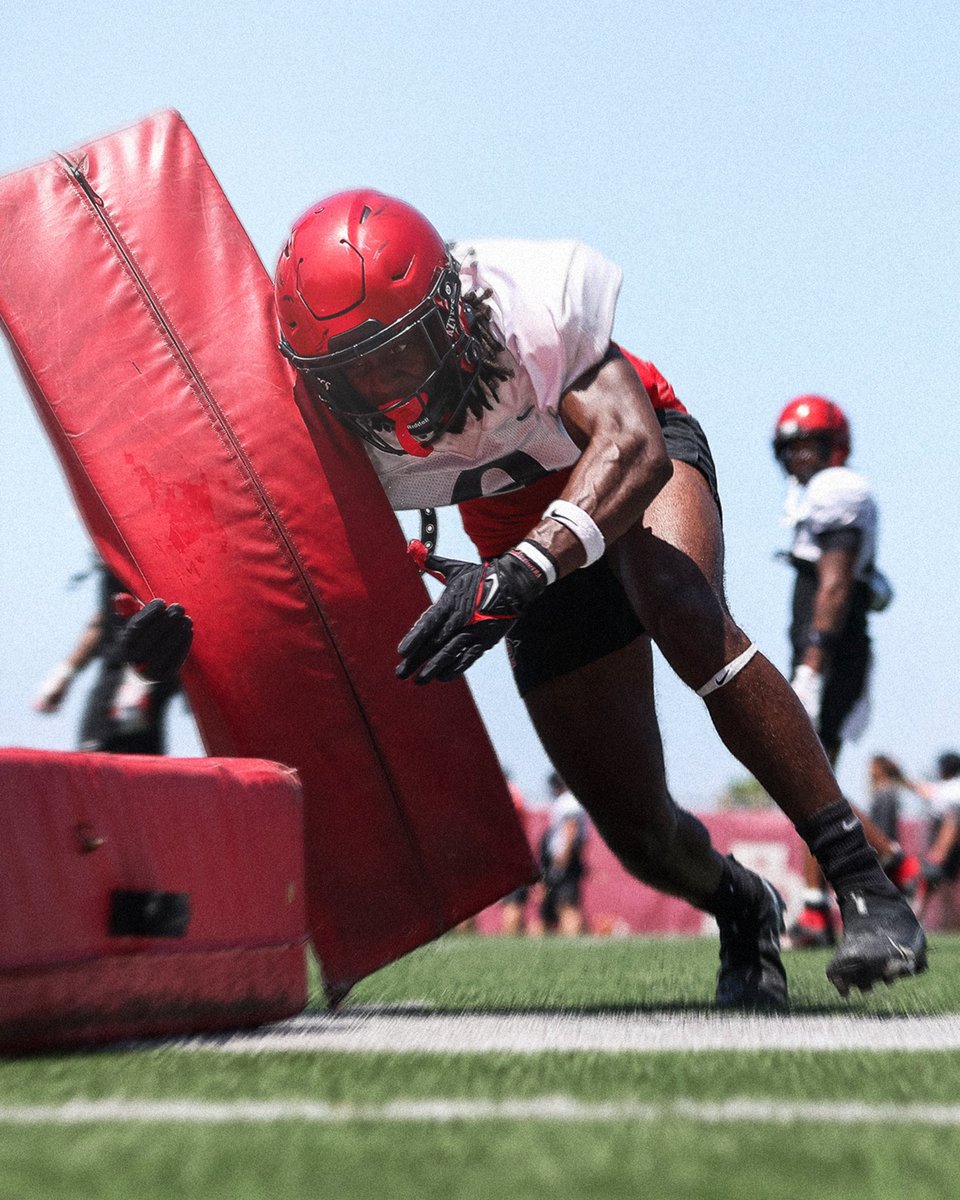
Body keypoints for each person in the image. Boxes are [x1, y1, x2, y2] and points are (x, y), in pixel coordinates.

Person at [136, 189, 926, 1004]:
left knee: (683, 610)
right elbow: (243, 550)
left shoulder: (526, 302)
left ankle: (864, 883)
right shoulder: (309, 413)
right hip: (512, 533)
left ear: (450, 307)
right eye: (354, 372)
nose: (384, 388)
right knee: (636, 830)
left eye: (400, 353)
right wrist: (178, 631)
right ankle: (741, 905)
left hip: (621, 469)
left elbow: (632, 446)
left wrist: (522, 571)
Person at [772, 397, 921, 948]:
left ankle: (890, 861)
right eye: (792, 447)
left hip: (829, 656)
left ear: (833, 446)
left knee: (808, 780)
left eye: (809, 445)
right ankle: (817, 908)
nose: (800, 457)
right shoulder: (818, 493)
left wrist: (812, 667)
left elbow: (834, 586)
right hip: (830, 651)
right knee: (812, 778)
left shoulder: (838, 490)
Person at [34, 560, 183, 754]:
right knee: (136, 757)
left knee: (105, 756)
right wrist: (64, 673)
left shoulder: (135, 554)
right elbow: (104, 619)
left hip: (133, 676)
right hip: (144, 673)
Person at [903, 752, 960, 920]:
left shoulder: (951, 789)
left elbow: (952, 821)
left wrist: (940, 850)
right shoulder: (951, 787)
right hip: (951, 843)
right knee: (945, 884)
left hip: (948, 844)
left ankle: (915, 918)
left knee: (929, 880)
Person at [539, 772, 588, 936]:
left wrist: (562, 860)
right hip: (563, 857)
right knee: (560, 904)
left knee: (567, 904)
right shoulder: (570, 801)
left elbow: (571, 828)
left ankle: (574, 941)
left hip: (564, 859)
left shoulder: (569, 802)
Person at [500, 770, 538, 935]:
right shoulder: (512, 792)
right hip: (514, 854)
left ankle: (510, 937)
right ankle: (512, 937)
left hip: (511, 854)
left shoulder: (507, 791)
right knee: (514, 901)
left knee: (513, 901)